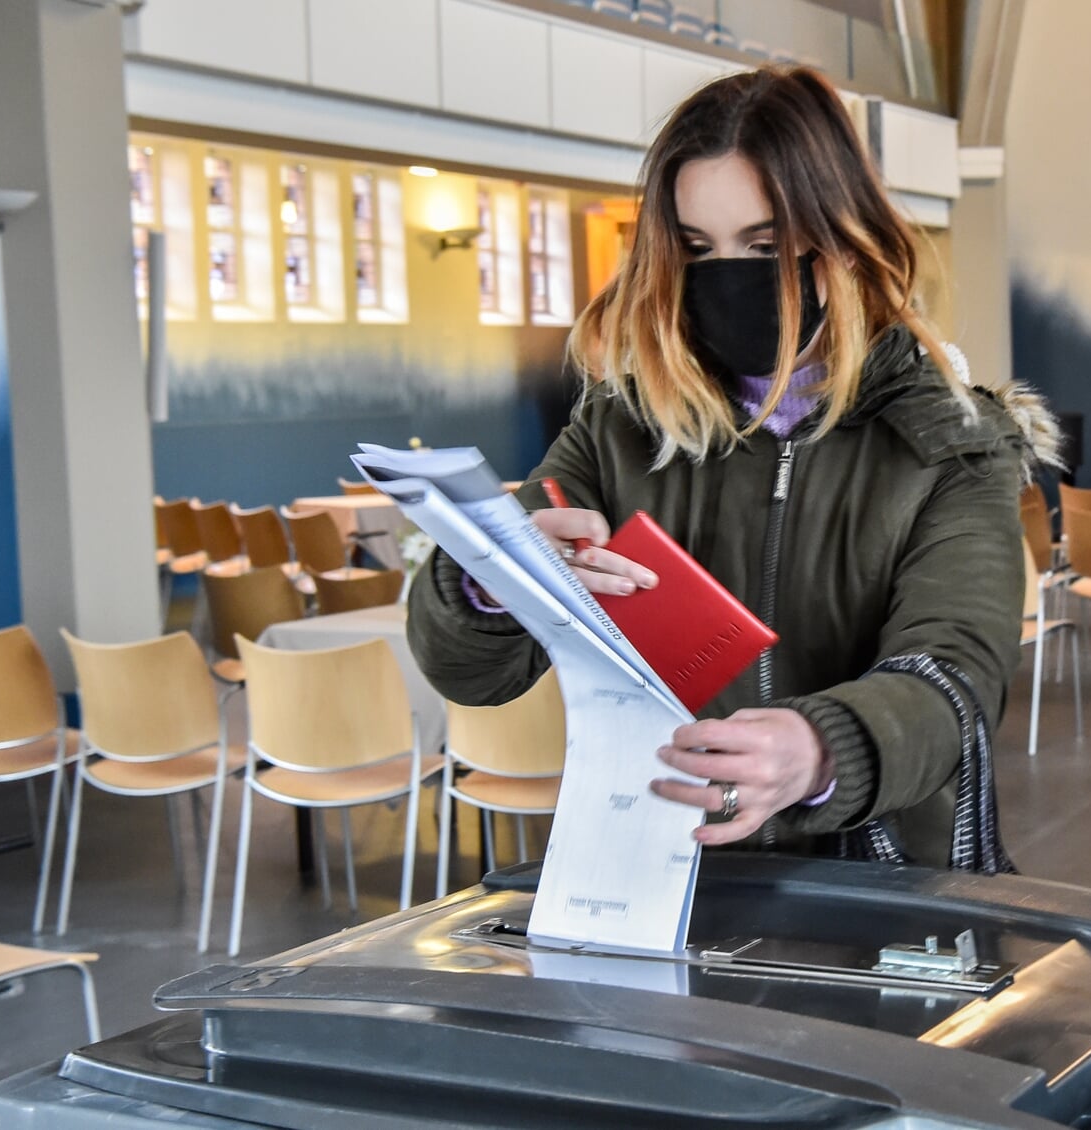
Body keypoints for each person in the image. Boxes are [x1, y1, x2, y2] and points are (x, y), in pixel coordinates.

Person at [408, 65, 1057, 869]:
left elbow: (956, 673)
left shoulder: (949, 442)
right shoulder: (622, 429)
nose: (731, 279)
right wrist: (488, 579)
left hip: (880, 880)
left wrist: (818, 749)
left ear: (844, 242)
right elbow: (468, 673)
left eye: (766, 245)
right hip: (667, 864)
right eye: (696, 248)